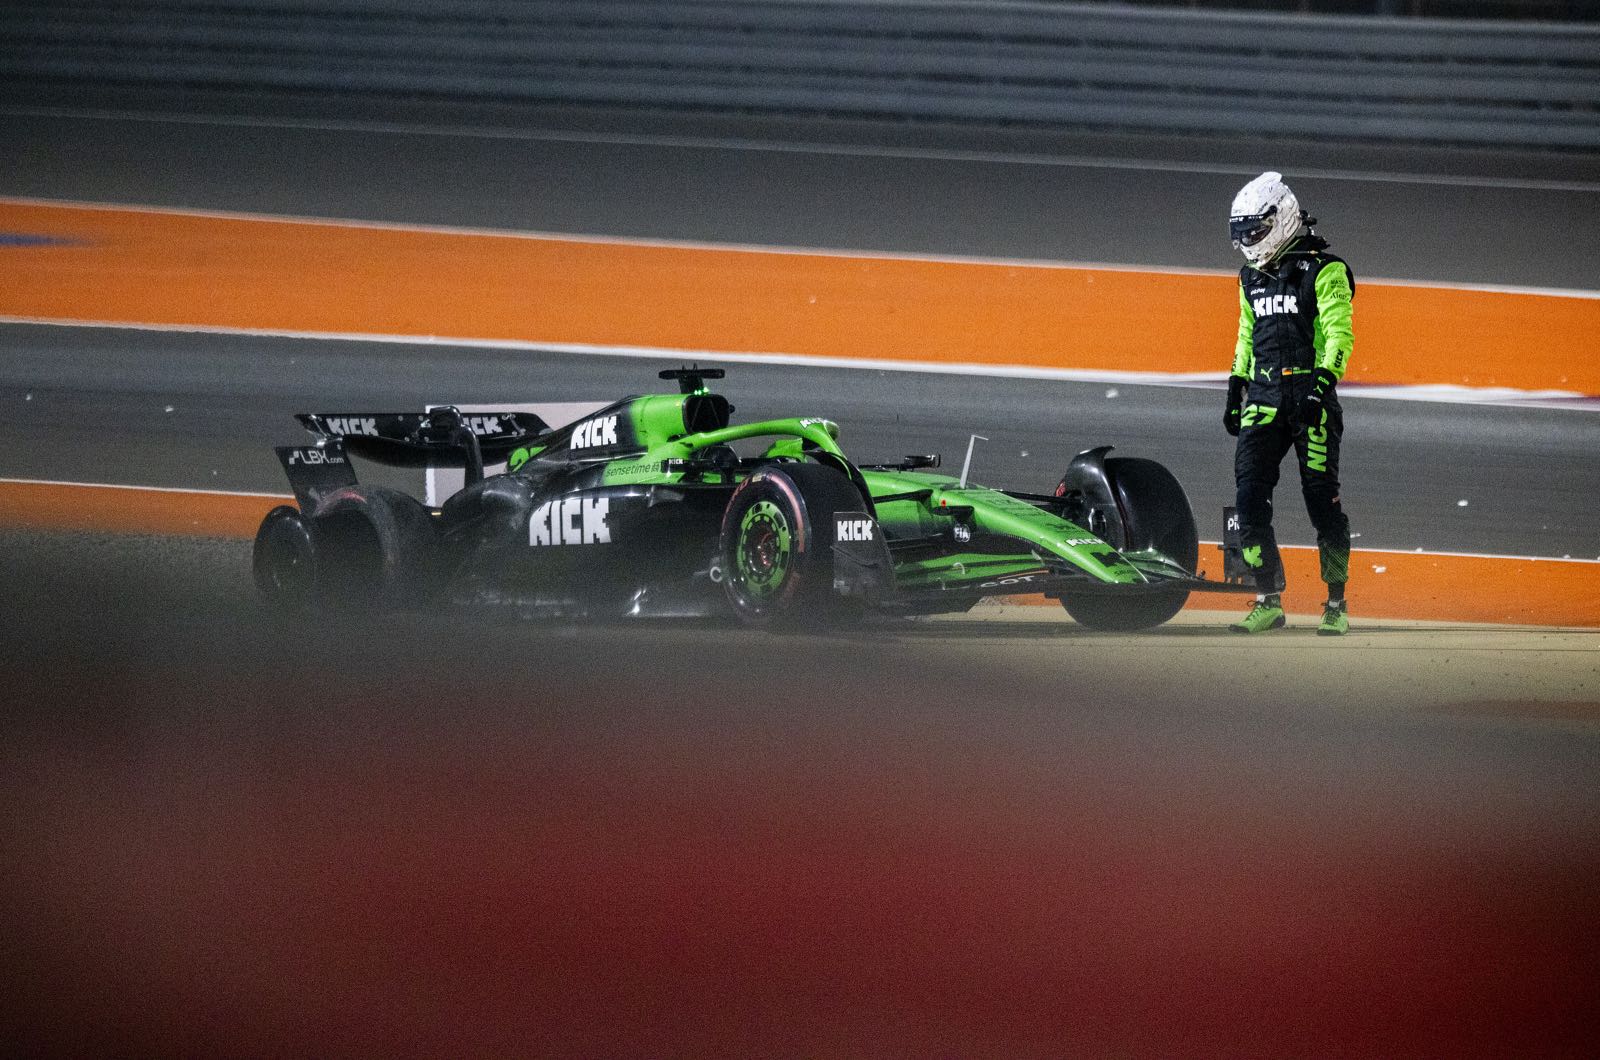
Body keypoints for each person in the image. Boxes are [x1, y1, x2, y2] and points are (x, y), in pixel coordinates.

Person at [1222, 171, 1353, 636]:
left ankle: (1335, 604)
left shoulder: (1326, 271)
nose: (1248, 242)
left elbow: (1339, 336)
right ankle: (1267, 600)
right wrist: (1235, 384)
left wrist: (1321, 387)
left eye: (1255, 232)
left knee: (1322, 503)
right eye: (1242, 234)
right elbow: (1247, 335)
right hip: (1263, 398)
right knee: (1248, 498)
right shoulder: (1249, 277)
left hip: (1309, 400)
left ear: (1281, 220)